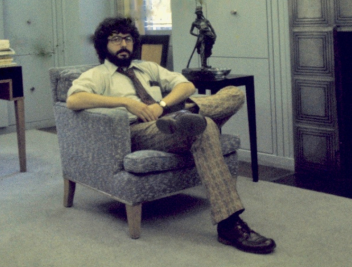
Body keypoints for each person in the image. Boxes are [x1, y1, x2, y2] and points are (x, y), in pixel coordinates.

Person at [66, 16, 276, 254]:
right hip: (139, 130)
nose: (122, 44)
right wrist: (125, 103)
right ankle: (229, 224)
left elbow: (187, 86)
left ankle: (191, 113)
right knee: (205, 126)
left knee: (232, 94)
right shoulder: (98, 74)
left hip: (168, 120)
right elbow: (74, 100)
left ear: (134, 42)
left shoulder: (147, 67)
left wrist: (163, 105)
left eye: (126, 38)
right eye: (115, 39)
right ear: (104, 45)